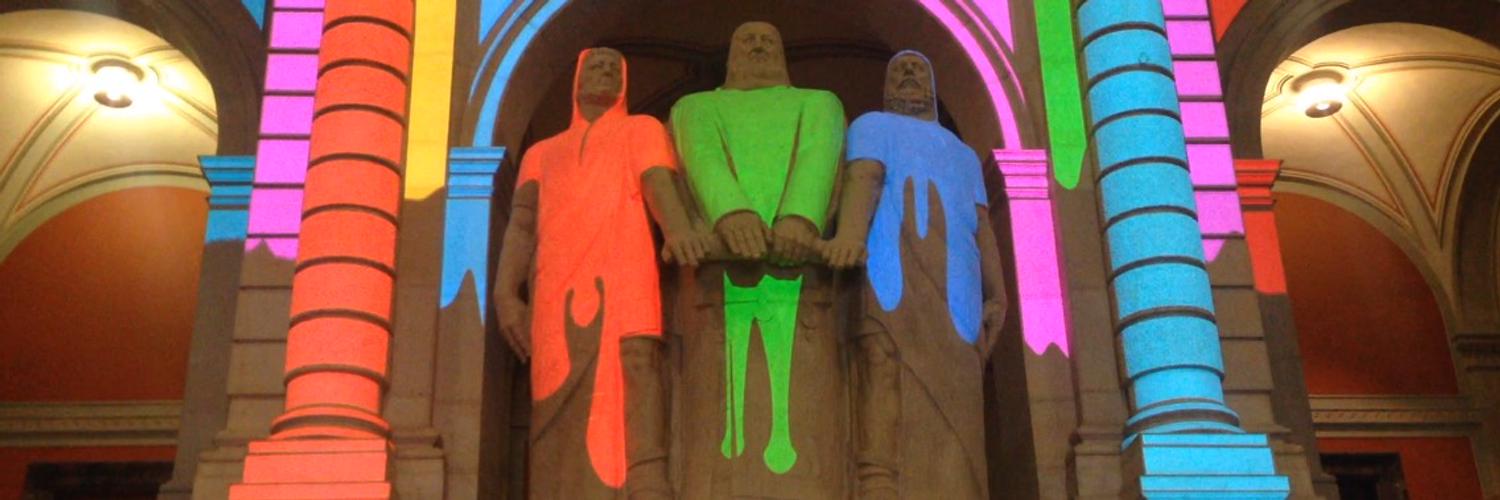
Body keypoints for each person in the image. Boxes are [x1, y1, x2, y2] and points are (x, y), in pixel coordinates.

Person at [492, 48, 705, 499]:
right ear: (576, 79)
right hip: (555, 285)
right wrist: (506, 294)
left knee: (637, 365)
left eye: (614, 67)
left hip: (626, 270)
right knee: (553, 386)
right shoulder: (541, 153)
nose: (606, 71)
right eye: (596, 65)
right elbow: (522, 225)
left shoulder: (640, 129)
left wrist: (679, 231)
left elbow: (657, 184)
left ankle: (646, 479)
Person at [668, 21, 849, 499]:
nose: (758, 45)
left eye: (769, 39)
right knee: (721, 422)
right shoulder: (696, 107)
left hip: (801, 278)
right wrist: (732, 214)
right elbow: (702, 157)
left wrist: (799, 220)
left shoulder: (818, 103)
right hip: (718, 279)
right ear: (729, 56)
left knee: (803, 417)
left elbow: (818, 154)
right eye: (746, 40)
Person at [824, 50, 1009, 499]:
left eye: (918, 69)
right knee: (882, 362)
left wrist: (998, 293)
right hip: (891, 268)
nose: (909, 73)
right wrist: (849, 237)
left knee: (959, 396)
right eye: (899, 70)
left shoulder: (963, 154)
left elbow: (982, 224)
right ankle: (878, 481)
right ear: (886, 87)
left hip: (956, 284)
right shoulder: (872, 126)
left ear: (933, 86)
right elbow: (864, 180)